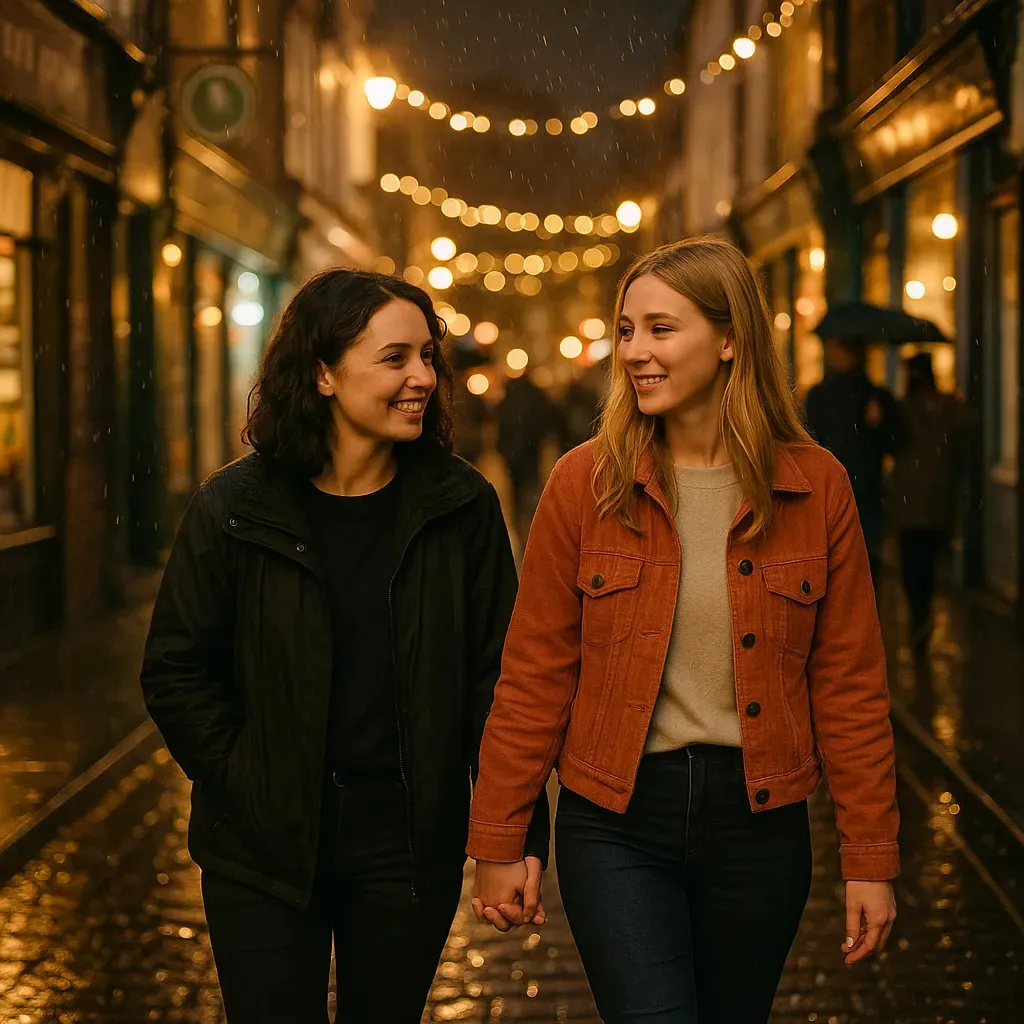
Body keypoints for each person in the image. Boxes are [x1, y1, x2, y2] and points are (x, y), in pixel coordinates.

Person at [467, 238, 899, 1024]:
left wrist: (870, 858)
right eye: (627, 331)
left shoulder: (816, 486)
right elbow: (533, 673)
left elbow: (850, 684)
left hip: (760, 831)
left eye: (660, 330)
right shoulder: (583, 484)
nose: (634, 352)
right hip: (618, 824)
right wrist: (498, 839)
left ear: (729, 338)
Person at [140, 270, 547, 1022]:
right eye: (395, 358)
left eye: (429, 356)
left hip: (404, 850)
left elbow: (502, 683)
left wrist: (511, 833)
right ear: (323, 373)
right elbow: (176, 669)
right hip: (261, 851)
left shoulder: (461, 508)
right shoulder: (235, 509)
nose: (422, 377)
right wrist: (247, 777)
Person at [805, 336, 900, 584]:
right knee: (863, 562)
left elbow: (809, 439)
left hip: (845, 487)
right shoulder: (873, 395)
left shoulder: (825, 395)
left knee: (837, 562)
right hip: (863, 486)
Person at [890, 351, 965, 653]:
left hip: (911, 505)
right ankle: (923, 621)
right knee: (930, 567)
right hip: (937, 504)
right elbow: (960, 449)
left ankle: (919, 620)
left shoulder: (904, 409)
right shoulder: (949, 407)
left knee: (912, 570)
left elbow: (892, 444)